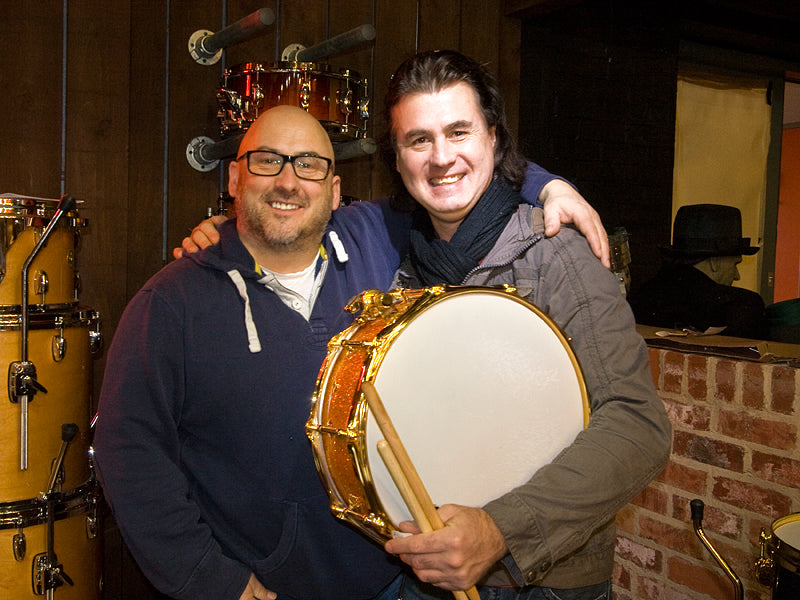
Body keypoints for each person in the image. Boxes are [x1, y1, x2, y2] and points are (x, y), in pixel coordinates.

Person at [94, 103, 610, 600]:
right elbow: (128, 452)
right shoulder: (170, 302)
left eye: (310, 166)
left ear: (337, 190)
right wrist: (210, 580)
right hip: (264, 587)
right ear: (233, 179)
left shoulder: (375, 234)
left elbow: (457, 171)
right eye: (267, 160)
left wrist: (550, 186)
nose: (288, 181)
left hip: (396, 581)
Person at [375, 50, 671, 599]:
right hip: (428, 575)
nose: (441, 158)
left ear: (493, 139)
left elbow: (638, 426)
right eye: (419, 140)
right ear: (397, 158)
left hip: (545, 583)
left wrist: (499, 530)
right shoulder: (404, 267)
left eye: (459, 132)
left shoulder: (558, 255)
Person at [629, 203, 769, 339]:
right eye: (735, 264)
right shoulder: (741, 305)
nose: (736, 275)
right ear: (715, 262)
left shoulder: (642, 296)